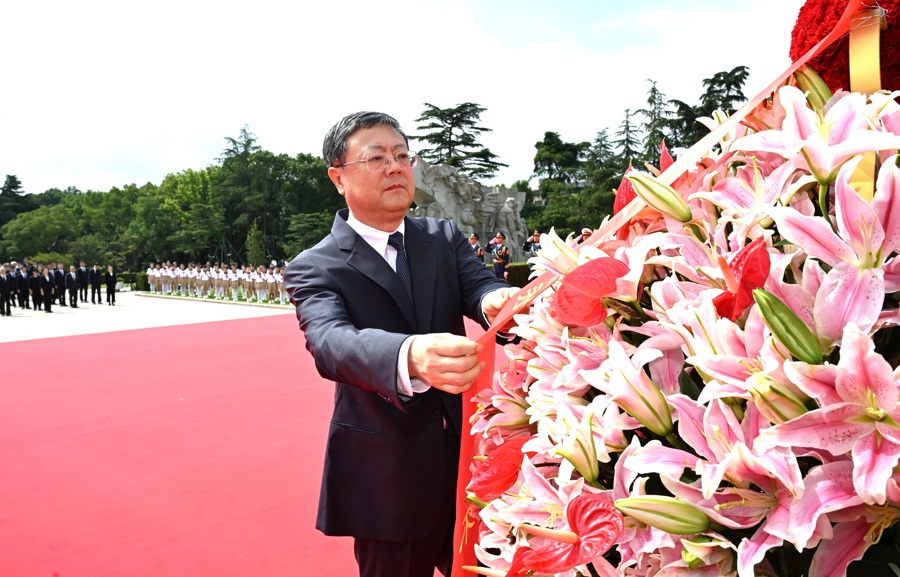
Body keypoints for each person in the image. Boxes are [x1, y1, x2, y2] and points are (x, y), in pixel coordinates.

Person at [283, 111, 515, 577]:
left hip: (469, 463)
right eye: (376, 157)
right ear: (338, 178)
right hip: (385, 476)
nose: (395, 167)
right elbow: (331, 342)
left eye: (402, 155)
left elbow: (479, 289)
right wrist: (409, 355)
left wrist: (501, 301)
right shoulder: (315, 266)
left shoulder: (442, 238)